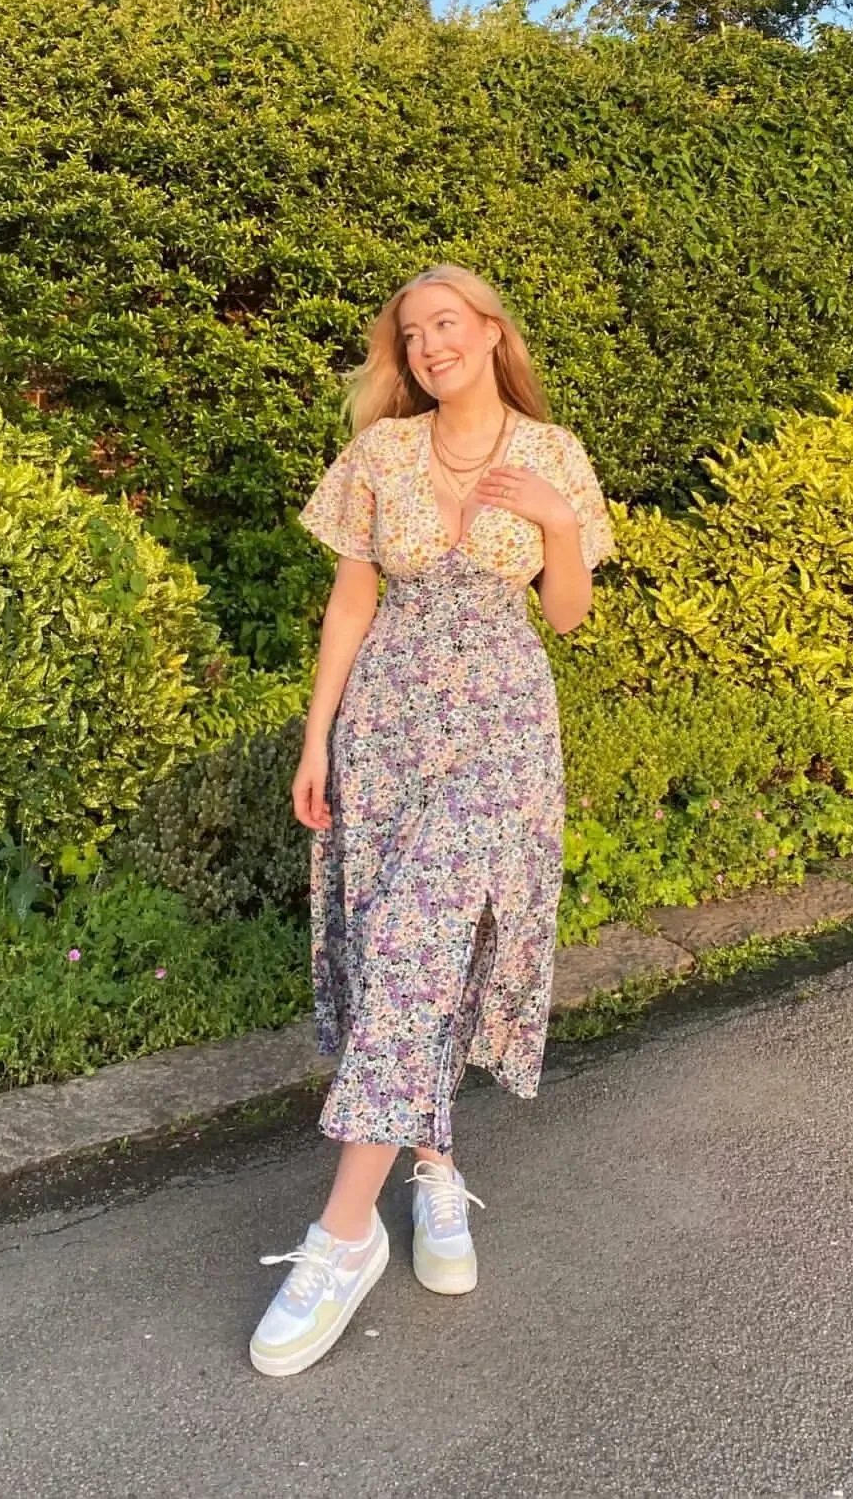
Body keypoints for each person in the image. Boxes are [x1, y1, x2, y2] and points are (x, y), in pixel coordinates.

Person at [249, 264, 615, 1378]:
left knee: (427, 940)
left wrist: (556, 520)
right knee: (399, 949)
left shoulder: (554, 456)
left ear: (492, 330)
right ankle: (436, 1171)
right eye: (411, 335)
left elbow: (567, 613)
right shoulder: (382, 453)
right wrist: (317, 737)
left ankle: (343, 1234)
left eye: (445, 324)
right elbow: (351, 597)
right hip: (389, 722)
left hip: (502, 724)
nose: (428, 346)